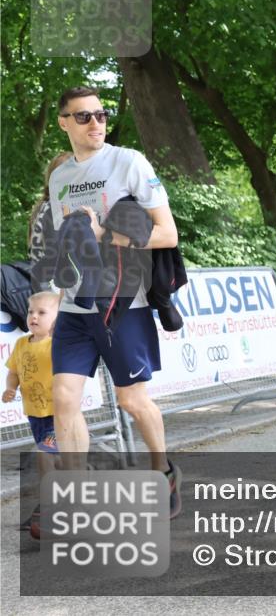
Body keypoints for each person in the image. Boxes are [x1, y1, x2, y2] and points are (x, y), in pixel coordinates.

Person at [46, 86, 180, 515]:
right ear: (64, 122)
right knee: (63, 397)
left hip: (123, 302)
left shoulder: (128, 162)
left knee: (132, 401)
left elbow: (168, 234)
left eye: (101, 115)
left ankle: (164, 474)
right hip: (75, 305)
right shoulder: (59, 177)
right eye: (83, 117)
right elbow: (61, 241)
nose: (96, 124)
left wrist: (104, 234)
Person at [4, 291, 61, 538]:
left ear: (56, 319)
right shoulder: (21, 344)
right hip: (35, 415)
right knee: (51, 461)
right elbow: (13, 371)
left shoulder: (56, 343)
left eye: (41, 313)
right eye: (30, 312)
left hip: (55, 415)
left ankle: (50, 510)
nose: (33, 317)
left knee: (45, 457)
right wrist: (10, 387)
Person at [28, 152, 73, 282]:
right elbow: (54, 256)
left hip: (42, 284)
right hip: (54, 288)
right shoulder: (57, 209)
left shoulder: (44, 206)